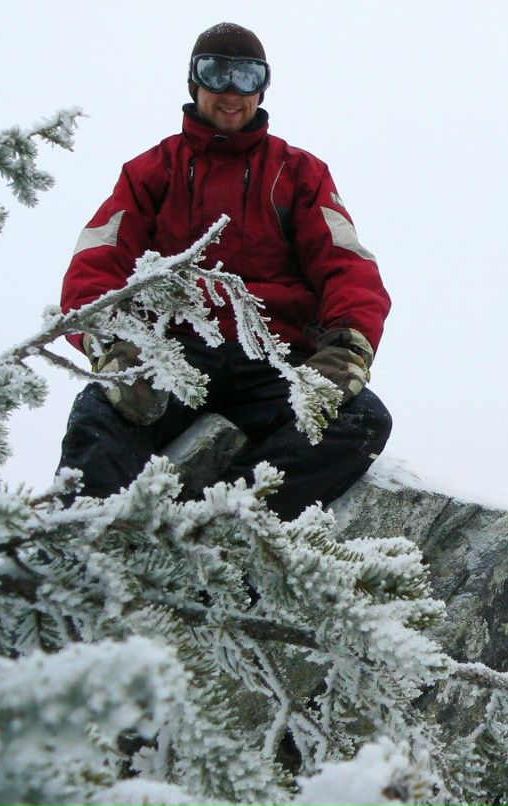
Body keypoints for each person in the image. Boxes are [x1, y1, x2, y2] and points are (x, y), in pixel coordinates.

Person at [57, 22, 392, 520]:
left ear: (263, 86)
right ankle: (83, 554)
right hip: (177, 360)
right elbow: (97, 261)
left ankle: (225, 524)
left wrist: (345, 351)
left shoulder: (299, 173)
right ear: (194, 83)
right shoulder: (153, 171)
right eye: (216, 74)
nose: (232, 92)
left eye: (248, 76)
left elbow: (347, 266)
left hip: (274, 362)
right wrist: (113, 344)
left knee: (362, 419)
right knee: (99, 413)